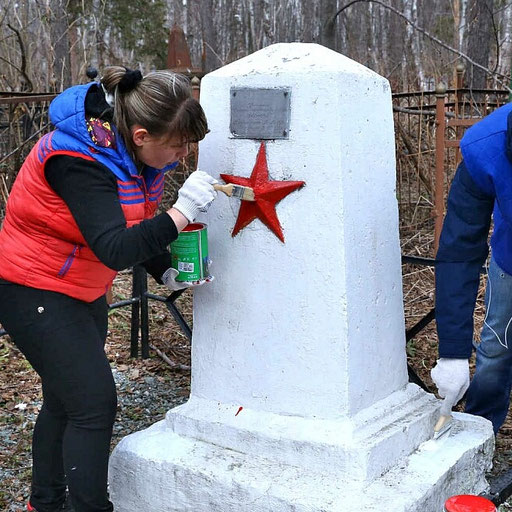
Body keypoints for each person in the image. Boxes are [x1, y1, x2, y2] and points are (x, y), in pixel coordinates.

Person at [0, 66, 218, 512]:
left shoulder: (128, 155)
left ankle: (43, 504)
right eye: (178, 145)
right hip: (32, 288)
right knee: (94, 404)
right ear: (141, 135)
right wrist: (183, 211)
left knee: (65, 400)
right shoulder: (78, 160)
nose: (183, 155)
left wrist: (166, 272)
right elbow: (115, 247)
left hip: (79, 287)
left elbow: (129, 226)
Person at [431, 100, 512, 435]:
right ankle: (482, 436)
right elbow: (459, 251)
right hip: (510, 264)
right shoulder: (487, 147)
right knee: (496, 350)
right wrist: (452, 352)